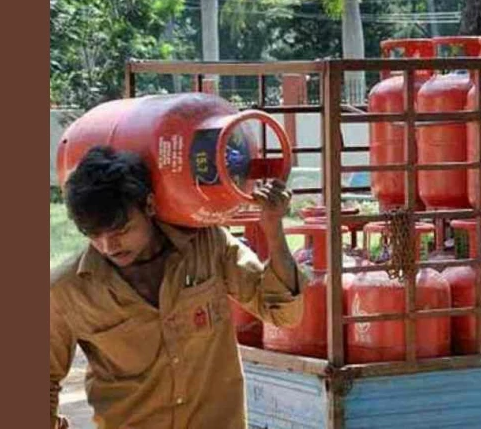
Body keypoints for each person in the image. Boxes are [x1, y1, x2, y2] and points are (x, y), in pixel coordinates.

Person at [50, 146, 306, 428]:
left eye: (121, 231)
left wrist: (273, 228)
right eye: (94, 235)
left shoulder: (207, 246)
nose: (109, 246)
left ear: (149, 205)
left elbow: (283, 314)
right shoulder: (67, 290)